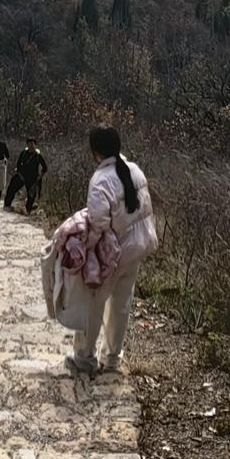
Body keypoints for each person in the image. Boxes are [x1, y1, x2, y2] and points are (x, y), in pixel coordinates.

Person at [66, 126, 158, 377]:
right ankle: (113, 359)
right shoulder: (135, 170)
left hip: (112, 254)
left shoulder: (100, 180)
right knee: (121, 304)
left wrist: (86, 246)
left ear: (95, 152)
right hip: (136, 249)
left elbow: (97, 222)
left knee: (93, 303)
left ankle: (85, 357)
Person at [4, 139, 47, 214]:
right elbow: (18, 165)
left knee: (31, 196)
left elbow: (45, 167)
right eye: (29, 144)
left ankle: (28, 210)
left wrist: (39, 177)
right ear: (27, 145)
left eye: (32, 144)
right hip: (21, 176)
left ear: (35, 146)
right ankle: (7, 205)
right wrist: (19, 174)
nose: (31, 146)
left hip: (32, 178)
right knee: (11, 188)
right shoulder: (23, 153)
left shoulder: (38, 156)